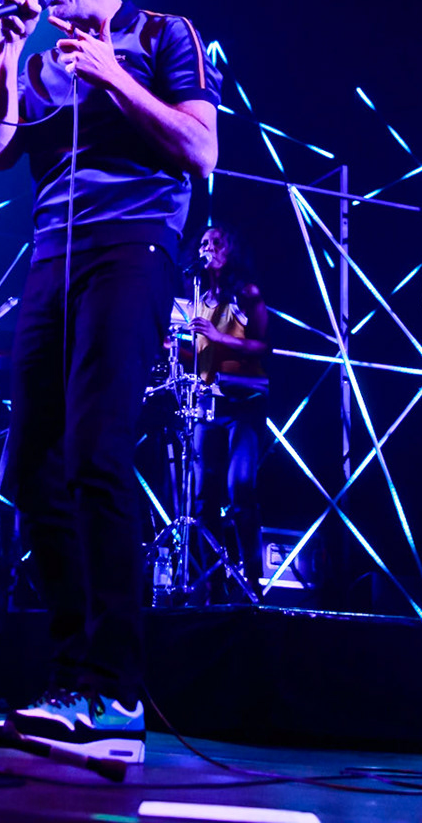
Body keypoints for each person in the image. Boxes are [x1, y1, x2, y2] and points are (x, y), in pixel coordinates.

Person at [0, 0, 221, 763]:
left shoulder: (165, 36)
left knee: (96, 453)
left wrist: (115, 74)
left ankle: (116, 686)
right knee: (31, 464)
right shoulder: (41, 63)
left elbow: (200, 147)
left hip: (135, 245)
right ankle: (73, 669)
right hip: (52, 253)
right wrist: (8, 52)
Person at [179, 225, 269, 594]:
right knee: (203, 497)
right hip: (207, 402)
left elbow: (263, 347)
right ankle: (213, 584)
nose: (207, 248)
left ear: (229, 251)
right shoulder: (197, 297)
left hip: (243, 403)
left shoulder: (247, 293)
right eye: (203, 243)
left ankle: (251, 581)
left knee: (240, 489)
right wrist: (178, 345)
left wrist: (218, 337)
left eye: (215, 243)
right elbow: (202, 354)